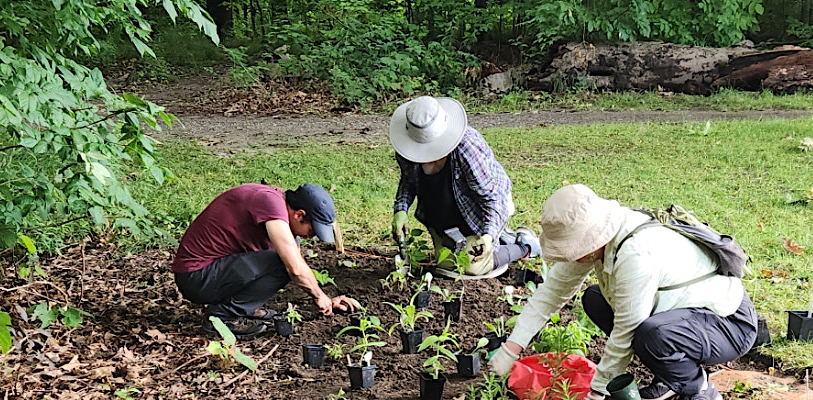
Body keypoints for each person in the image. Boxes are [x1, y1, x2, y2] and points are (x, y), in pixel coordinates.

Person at [488, 184, 759, 400]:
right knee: (596, 299)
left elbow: (626, 330)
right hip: (681, 316)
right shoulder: (597, 236)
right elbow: (551, 294)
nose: (571, 255)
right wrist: (512, 348)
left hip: (727, 324)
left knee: (652, 334)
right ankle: (669, 378)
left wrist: (597, 392)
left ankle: (700, 390)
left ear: (590, 239)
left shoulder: (635, 254)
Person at [172, 182, 357, 338]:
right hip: (197, 276)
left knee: (287, 258)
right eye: (312, 230)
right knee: (283, 263)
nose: (312, 236)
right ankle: (222, 317)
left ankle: (243, 308)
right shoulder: (270, 204)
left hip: (214, 271)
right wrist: (319, 296)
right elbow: (295, 268)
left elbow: (299, 269)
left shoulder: (279, 212)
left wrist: (327, 300)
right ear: (299, 215)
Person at [389, 96, 540, 281]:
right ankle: (503, 239)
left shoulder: (467, 149)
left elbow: (493, 198)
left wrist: (488, 236)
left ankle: (525, 246)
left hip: (476, 212)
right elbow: (408, 181)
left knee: (472, 266)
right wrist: (401, 210)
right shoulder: (407, 148)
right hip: (440, 216)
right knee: (446, 265)